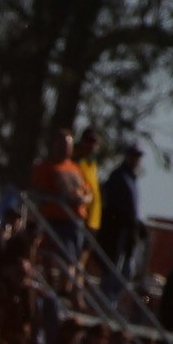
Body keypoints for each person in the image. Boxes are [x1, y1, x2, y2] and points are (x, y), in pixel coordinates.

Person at [95, 144, 146, 304]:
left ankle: (110, 302)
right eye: (133, 155)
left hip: (129, 234)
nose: (136, 160)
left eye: (138, 156)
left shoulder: (131, 178)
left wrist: (137, 224)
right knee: (113, 270)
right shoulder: (118, 176)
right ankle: (104, 303)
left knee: (127, 272)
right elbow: (111, 203)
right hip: (116, 233)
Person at [30, 127, 91, 260]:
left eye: (68, 146)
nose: (64, 149)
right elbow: (39, 191)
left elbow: (88, 193)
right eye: (61, 145)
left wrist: (83, 199)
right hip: (55, 220)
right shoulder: (45, 166)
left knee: (73, 259)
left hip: (76, 221)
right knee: (54, 258)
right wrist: (63, 199)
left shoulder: (77, 168)